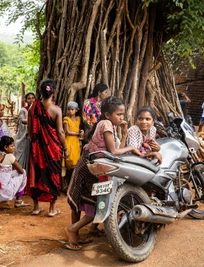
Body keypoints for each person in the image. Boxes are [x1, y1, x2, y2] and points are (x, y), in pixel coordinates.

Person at [66, 97, 159, 251]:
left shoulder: (111, 125)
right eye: (119, 114)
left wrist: (123, 135)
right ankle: (72, 231)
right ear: (108, 114)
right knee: (82, 199)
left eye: (123, 114)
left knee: (95, 201)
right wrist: (131, 148)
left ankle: (91, 229)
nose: (122, 117)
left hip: (99, 166)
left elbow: (116, 150)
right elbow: (115, 152)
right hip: (89, 166)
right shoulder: (106, 124)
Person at [27, 79, 68, 217]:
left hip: (36, 148)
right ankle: (52, 209)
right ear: (54, 92)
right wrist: (66, 147)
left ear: (40, 92)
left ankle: (36, 207)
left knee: (36, 174)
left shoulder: (33, 107)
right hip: (53, 149)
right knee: (53, 174)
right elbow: (60, 132)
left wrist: (36, 143)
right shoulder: (56, 110)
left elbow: (30, 130)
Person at [0, 136, 29, 208]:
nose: (14, 148)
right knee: (23, 172)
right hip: (5, 194)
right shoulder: (10, 156)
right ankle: (18, 200)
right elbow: (21, 171)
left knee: (7, 174)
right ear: (6, 147)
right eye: (12, 146)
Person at [62, 101, 84, 192]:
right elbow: (67, 131)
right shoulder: (66, 119)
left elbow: (81, 128)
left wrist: (81, 132)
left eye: (72, 109)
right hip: (68, 142)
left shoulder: (79, 119)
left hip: (76, 144)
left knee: (75, 165)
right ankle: (64, 185)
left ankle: (71, 186)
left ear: (76, 110)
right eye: (69, 109)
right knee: (67, 164)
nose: (70, 111)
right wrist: (78, 133)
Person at [14, 92, 36, 172]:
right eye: (29, 98)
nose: (31, 100)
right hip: (23, 138)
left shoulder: (37, 110)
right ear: (26, 100)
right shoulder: (23, 110)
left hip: (32, 138)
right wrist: (35, 121)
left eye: (33, 98)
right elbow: (23, 120)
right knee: (21, 159)